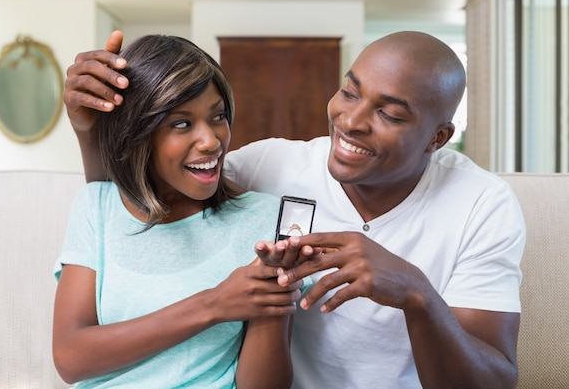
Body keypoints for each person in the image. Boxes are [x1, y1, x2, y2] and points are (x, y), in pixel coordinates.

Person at [63, 30, 525, 389]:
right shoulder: (270, 167)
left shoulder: (481, 204)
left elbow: (492, 380)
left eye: (390, 114)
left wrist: (416, 293)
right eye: (349, 92)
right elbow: (143, 199)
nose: (352, 120)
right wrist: (89, 128)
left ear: (438, 138)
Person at [52, 34, 303, 389]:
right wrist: (215, 304)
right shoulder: (97, 207)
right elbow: (70, 358)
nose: (211, 141)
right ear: (136, 134)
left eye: (218, 116)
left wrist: (272, 301)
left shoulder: (264, 219)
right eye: (182, 124)